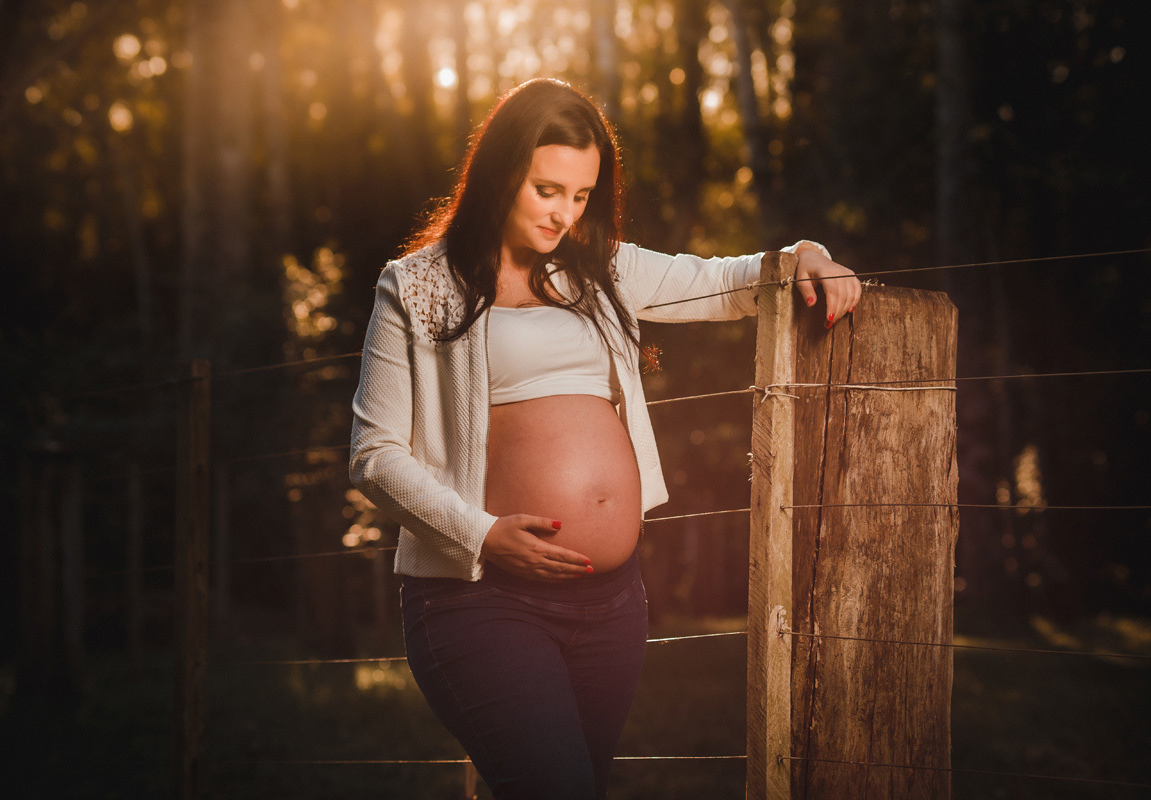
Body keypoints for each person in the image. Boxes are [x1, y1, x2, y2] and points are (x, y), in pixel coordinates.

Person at [348, 78, 860, 800]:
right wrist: (483, 534)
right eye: (548, 190)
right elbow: (374, 457)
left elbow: (718, 283)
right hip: (480, 599)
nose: (565, 213)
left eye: (583, 195)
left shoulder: (595, 267)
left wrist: (804, 253)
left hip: (610, 604)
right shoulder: (417, 287)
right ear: (500, 173)